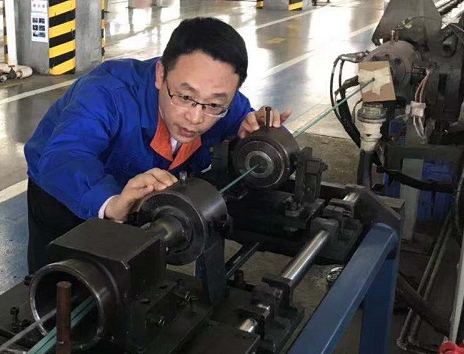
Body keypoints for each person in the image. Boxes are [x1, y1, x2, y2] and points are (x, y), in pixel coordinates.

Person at [24, 16, 290, 272]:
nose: (195, 118)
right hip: (65, 187)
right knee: (58, 277)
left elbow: (247, 124)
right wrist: (111, 203)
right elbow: (66, 156)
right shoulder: (108, 93)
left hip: (138, 200)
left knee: (126, 274)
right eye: (185, 97)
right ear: (160, 74)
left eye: (214, 104)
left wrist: (255, 129)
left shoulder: (224, 106)